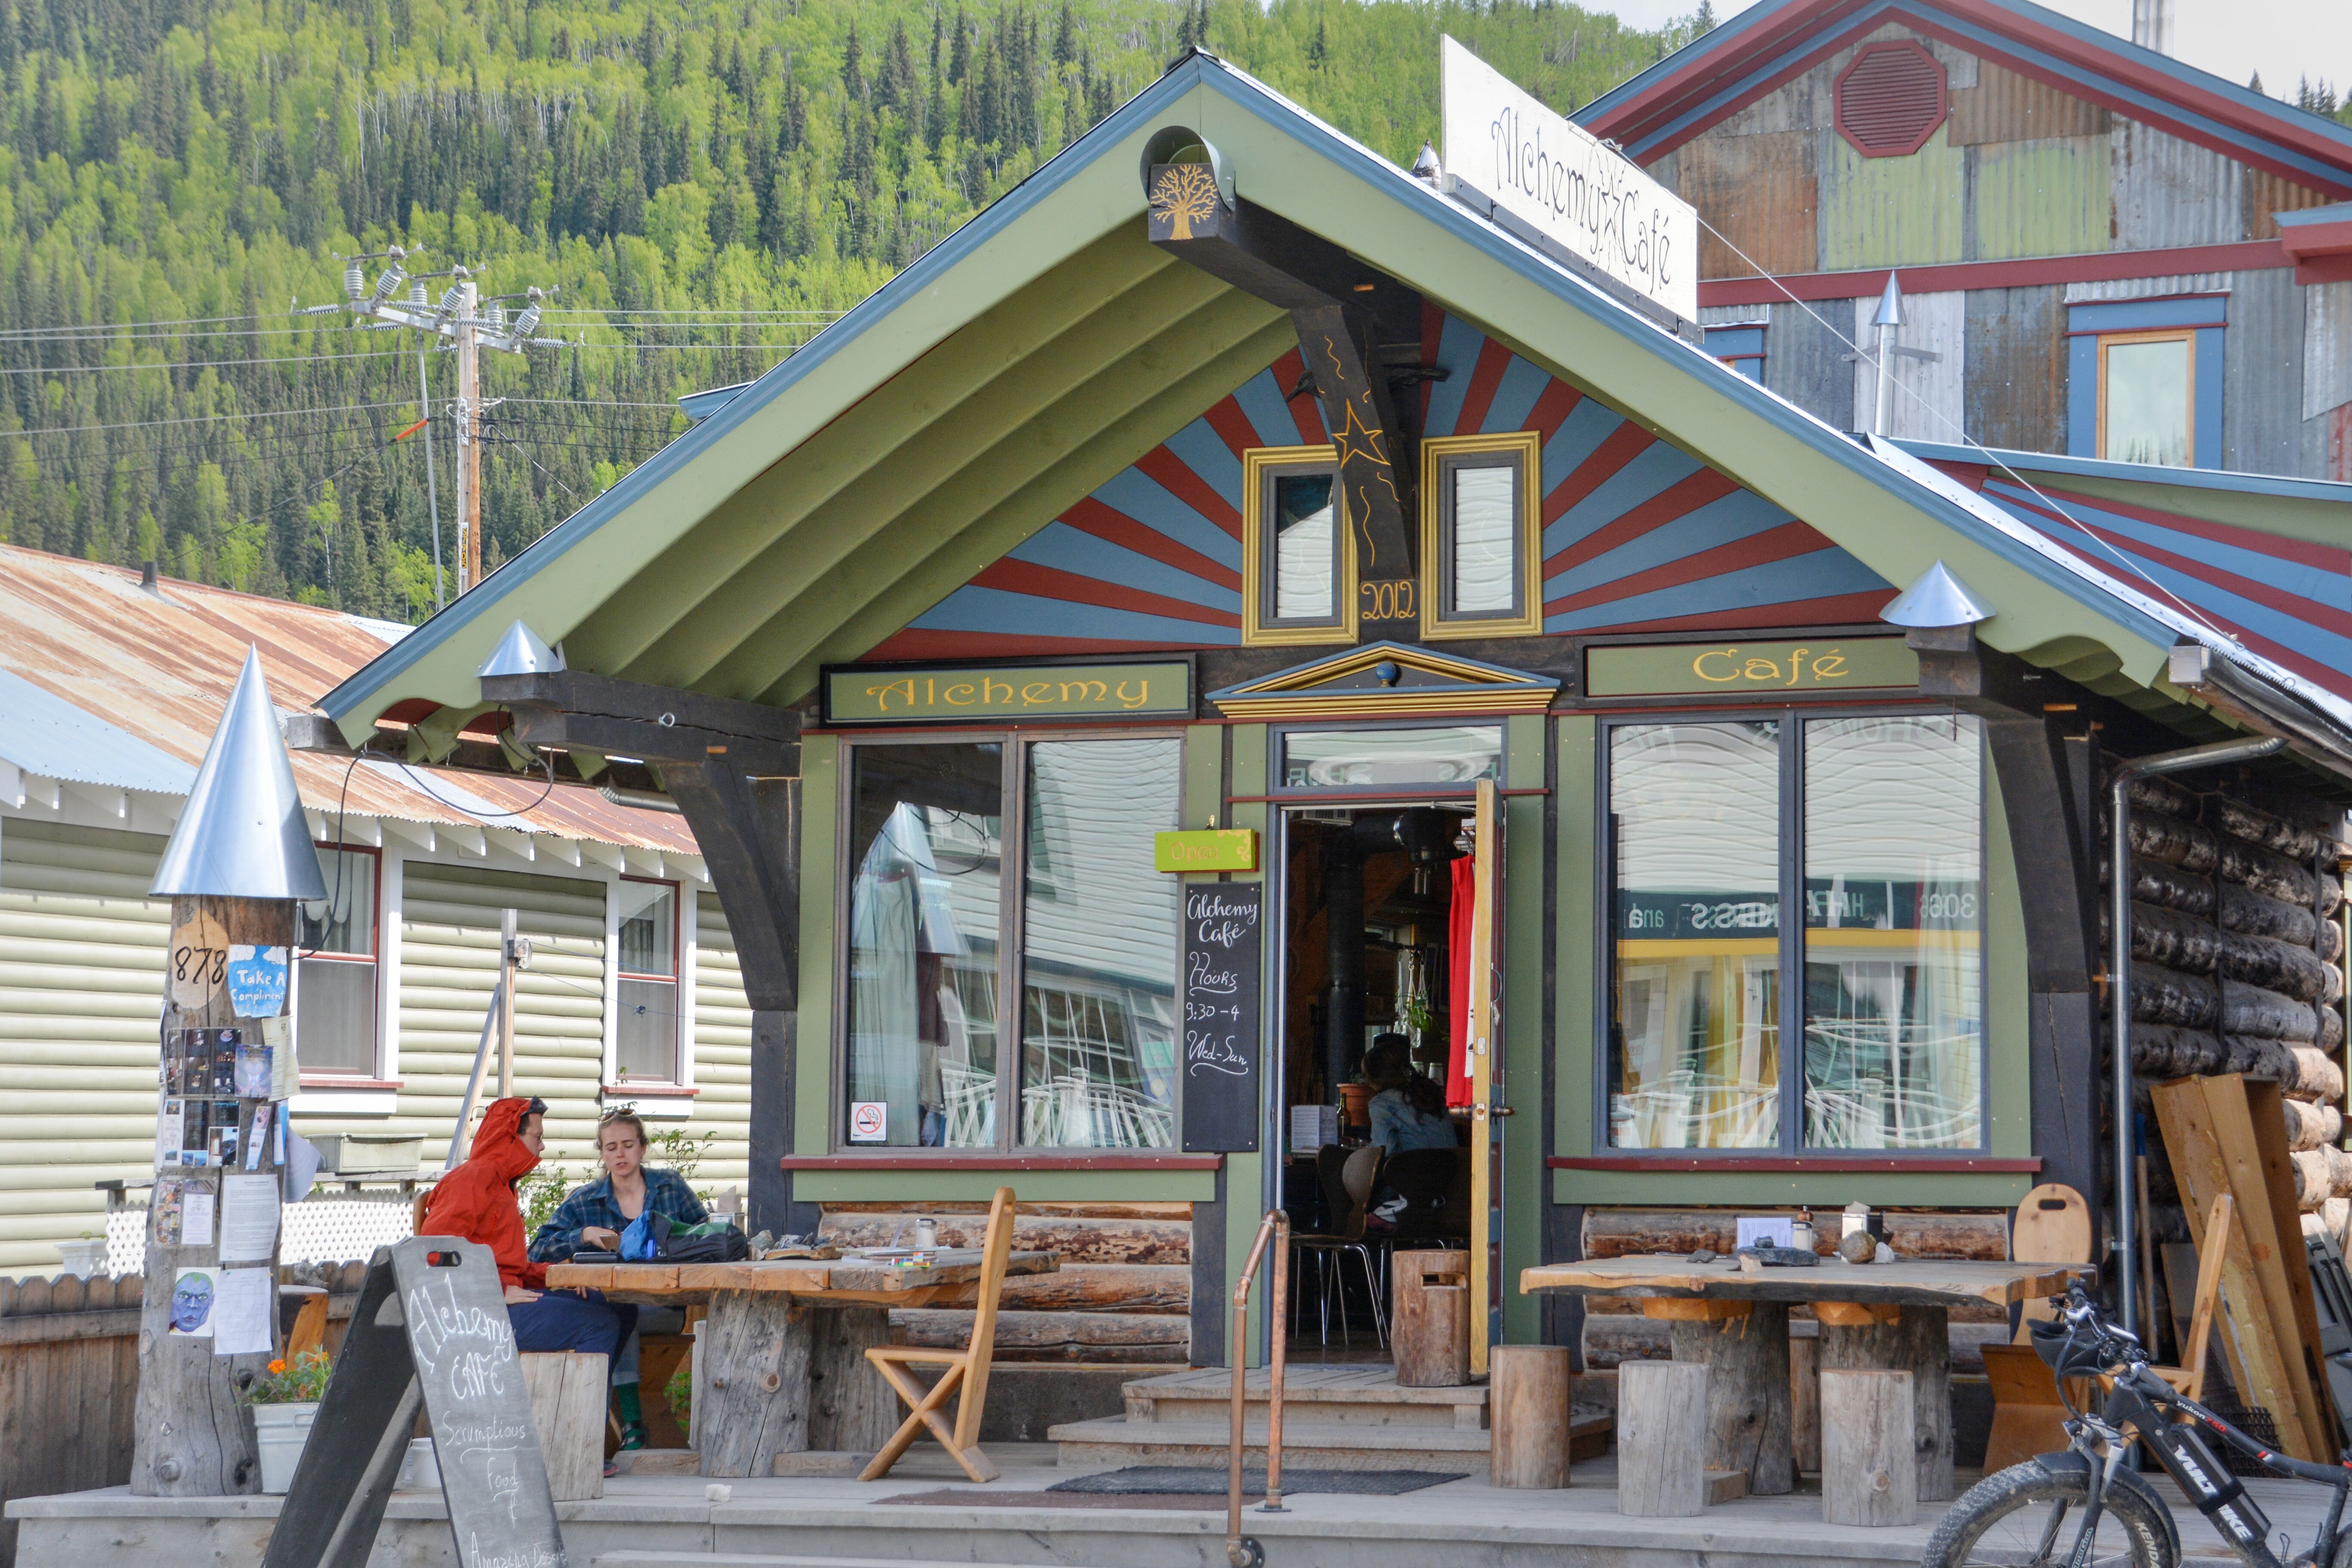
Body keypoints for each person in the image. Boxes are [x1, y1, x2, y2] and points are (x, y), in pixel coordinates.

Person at [529, 1108, 708, 1449]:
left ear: (642, 1148)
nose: (620, 1154)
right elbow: (536, 1250)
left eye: (628, 1145)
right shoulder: (585, 1200)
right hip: (611, 1304)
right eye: (611, 1147)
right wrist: (581, 1236)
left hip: (663, 1305)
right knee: (613, 1311)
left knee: (616, 1313)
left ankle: (630, 1422)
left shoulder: (669, 1186)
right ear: (602, 1153)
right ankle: (627, 1426)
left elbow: (708, 1235)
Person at [420, 1096, 633, 1360]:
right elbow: (434, 1257)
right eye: (538, 1137)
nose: (542, 1146)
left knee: (618, 1307)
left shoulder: (502, 1184)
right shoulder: (471, 1179)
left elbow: (513, 1267)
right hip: (473, 1312)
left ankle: (589, 1397)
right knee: (600, 1324)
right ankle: (578, 1401)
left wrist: (564, 1276)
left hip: (498, 1298)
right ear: (511, 1138)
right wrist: (497, 1292)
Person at [1363, 1033, 1457, 1157]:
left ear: (1374, 1078)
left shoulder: (1382, 1103)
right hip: (1452, 1170)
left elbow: (1385, 1148)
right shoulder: (1427, 1092)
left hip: (1414, 1172)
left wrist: (1361, 1152)